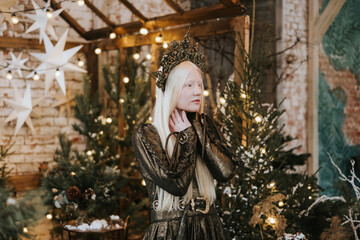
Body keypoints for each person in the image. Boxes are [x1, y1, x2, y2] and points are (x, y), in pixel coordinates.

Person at [132, 31, 235, 240]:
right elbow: (176, 185)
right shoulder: (146, 134)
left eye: (199, 84)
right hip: (171, 232)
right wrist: (187, 139)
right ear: (171, 90)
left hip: (208, 230)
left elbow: (225, 172)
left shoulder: (203, 127)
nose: (198, 91)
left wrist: (197, 131)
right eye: (189, 85)